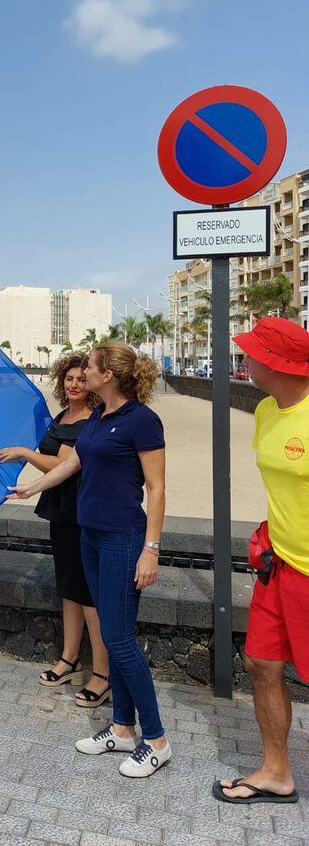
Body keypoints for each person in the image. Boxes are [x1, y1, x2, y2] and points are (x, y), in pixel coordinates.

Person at [9, 342, 170, 778]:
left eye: (91, 367)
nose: (85, 371)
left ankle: (155, 739)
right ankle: (121, 728)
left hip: (122, 538)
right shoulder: (98, 417)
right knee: (113, 632)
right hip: (90, 536)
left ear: (107, 376)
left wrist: (150, 549)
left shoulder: (142, 420)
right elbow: (73, 462)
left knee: (119, 639)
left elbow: (156, 489)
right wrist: (30, 489)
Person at [214, 317, 309, 806]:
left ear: (280, 363)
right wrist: (270, 532)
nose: (244, 360)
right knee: (261, 663)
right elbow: (284, 487)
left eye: (251, 353)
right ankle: (276, 771)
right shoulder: (268, 411)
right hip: (280, 565)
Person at [0, 352, 109, 707]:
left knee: (90, 595)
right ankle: (70, 658)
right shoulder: (62, 415)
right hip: (59, 510)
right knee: (69, 590)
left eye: (80, 379)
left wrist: (24, 453)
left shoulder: (92, 419)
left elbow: (65, 464)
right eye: (69, 379)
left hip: (82, 511)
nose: (74, 384)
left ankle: (102, 674)